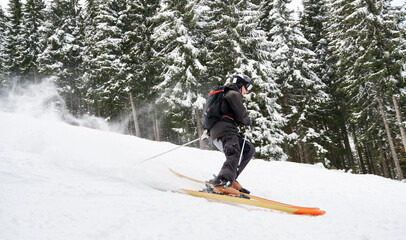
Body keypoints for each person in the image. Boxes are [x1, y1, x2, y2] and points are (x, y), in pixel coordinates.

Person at [203, 74, 255, 196]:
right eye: (247, 87)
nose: (247, 91)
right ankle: (221, 183)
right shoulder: (233, 94)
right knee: (234, 153)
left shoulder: (226, 94)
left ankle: (230, 178)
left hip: (223, 131)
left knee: (247, 149)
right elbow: (241, 112)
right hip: (225, 131)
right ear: (241, 85)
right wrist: (248, 122)